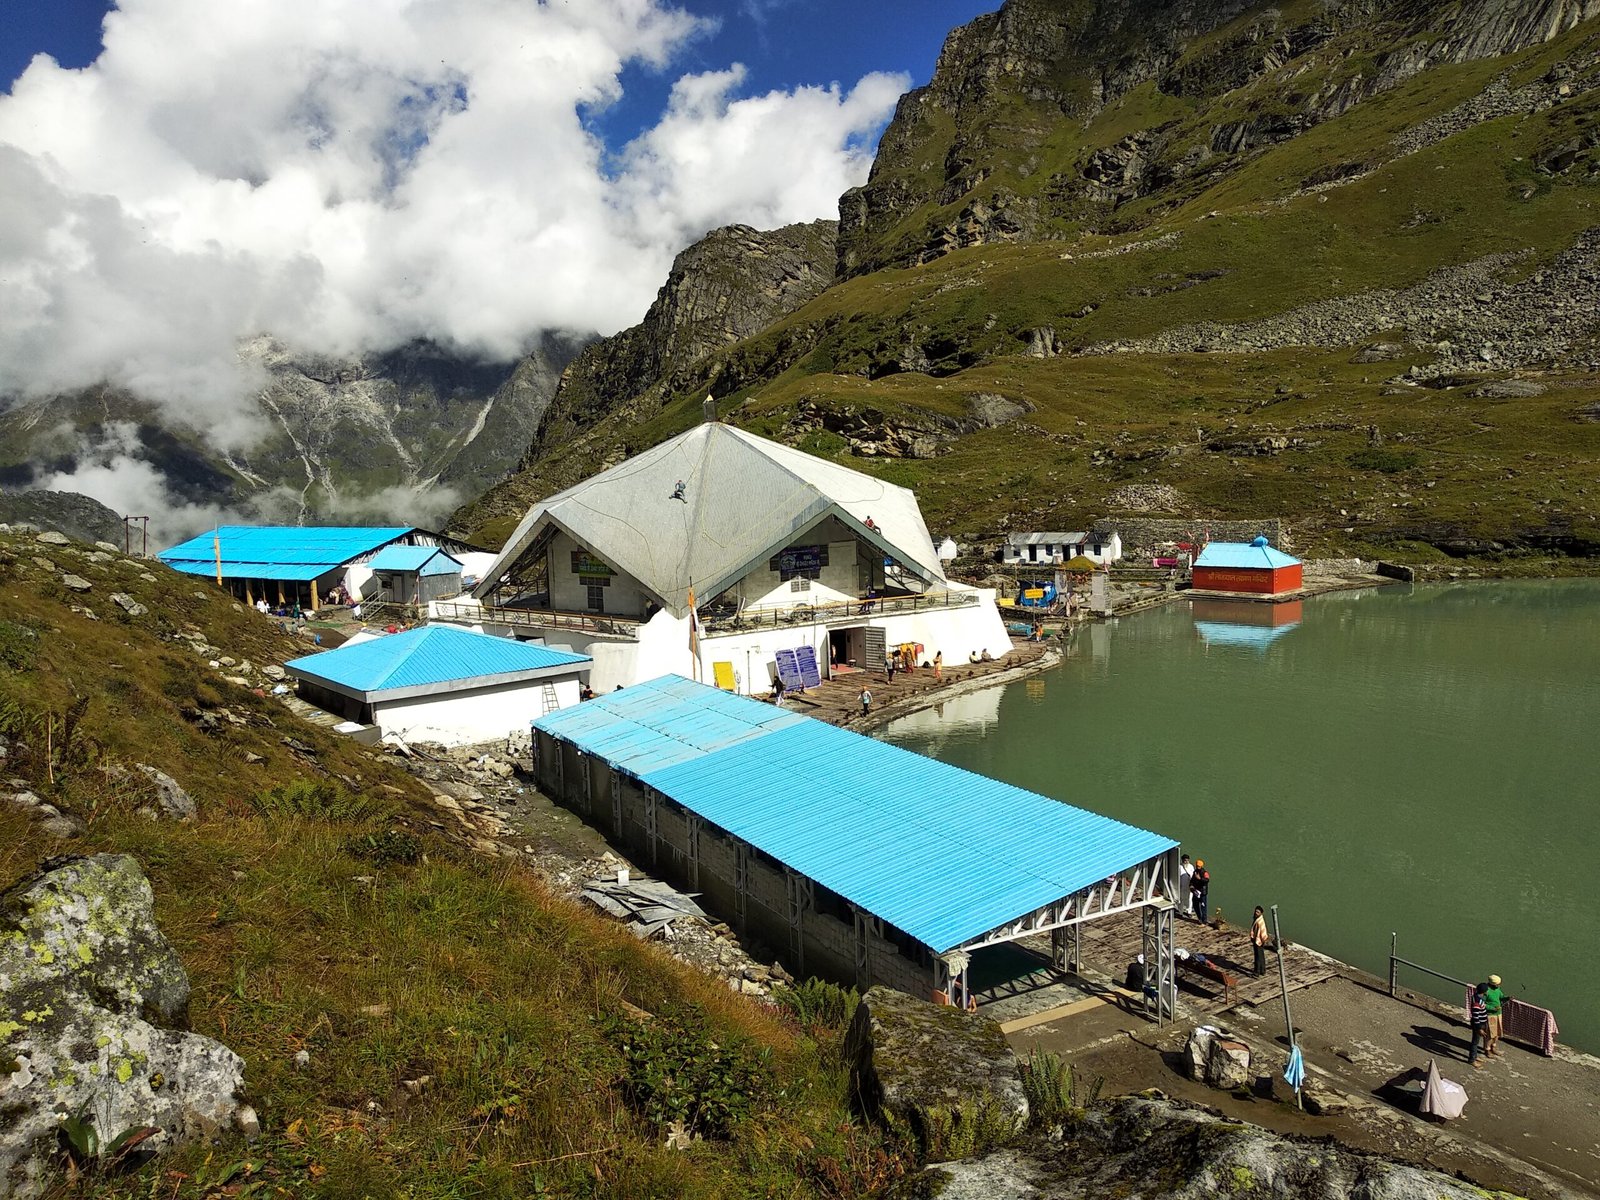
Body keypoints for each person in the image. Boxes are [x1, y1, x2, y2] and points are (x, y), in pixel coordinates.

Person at [1483, 973, 1507, 1058]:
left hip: (1498, 1014)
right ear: (1493, 984)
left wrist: (1507, 998)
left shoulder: (1498, 990)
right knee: (1490, 1034)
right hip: (1490, 1015)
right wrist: (1492, 1008)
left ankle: (1493, 1047)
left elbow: (1501, 997)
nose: (1499, 985)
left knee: (1497, 1033)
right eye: (1497, 984)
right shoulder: (1486, 991)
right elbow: (1482, 1004)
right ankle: (1487, 1049)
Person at [1467, 983, 1489, 1068]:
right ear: (1484, 992)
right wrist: (1479, 1028)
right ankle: (1472, 1060)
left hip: (1480, 1023)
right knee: (1475, 1042)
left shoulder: (1476, 997)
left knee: (1476, 1041)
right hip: (1478, 1024)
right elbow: (1476, 1016)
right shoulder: (1477, 1001)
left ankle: (1475, 1057)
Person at [1250, 906, 1270, 976]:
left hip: (1258, 940)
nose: (1256, 913)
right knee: (1260, 955)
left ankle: (1257, 971)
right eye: (1255, 911)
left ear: (1261, 913)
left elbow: (1261, 931)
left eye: (1258, 912)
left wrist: (1262, 939)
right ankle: (1262, 970)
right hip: (1259, 939)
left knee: (1258, 956)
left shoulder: (1259, 921)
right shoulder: (1258, 919)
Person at [1191, 859, 1211, 924]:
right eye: (1197, 866)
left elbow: (1207, 880)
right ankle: (1199, 918)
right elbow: (1192, 880)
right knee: (1195, 905)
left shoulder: (1205, 873)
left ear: (1201, 866)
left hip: (1202, 892)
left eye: (1199, 866)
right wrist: (1191, 886)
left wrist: (1200, 879)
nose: (1197, 867)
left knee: (1203, 906)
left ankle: (1204, 919)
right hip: (1196, 892)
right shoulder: (1195, 872)